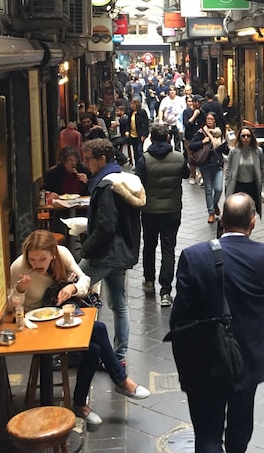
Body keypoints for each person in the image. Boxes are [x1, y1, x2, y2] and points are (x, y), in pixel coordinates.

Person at [170, 193, 264, 453]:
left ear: (221, 220)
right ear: (253, 222)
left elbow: (180, 315)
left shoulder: (194, 256)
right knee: (241, 420)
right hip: (248, 354)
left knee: (207, 433)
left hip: (207, 356)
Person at [10, 230, 150, 427]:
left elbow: (85, 280)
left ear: (53, 253)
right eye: (33, 259)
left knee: (94, 349)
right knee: (99, 329)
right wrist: (21, 289)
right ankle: (118, 381)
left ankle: (81, 403)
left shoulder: (63, 255)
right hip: (35, 324)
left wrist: (73, 288)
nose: (37, 264)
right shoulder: (19, 267)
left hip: (59, 314)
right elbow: (12, 306)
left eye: (43, 258)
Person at [79, 138, 146, 366]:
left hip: (105, 254)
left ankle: (79, 349)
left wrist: (86, 248)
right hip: (120, 252)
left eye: (88, 159)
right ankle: (118, 356)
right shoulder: (123, 180)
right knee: (119, 304)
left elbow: (105, 226)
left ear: (102, 159)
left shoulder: (106, 185)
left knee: (71, 288)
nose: (86, 164)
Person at [135, 123, 189, 307]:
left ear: (151, 138)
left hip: (149, 211)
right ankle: (165, 291)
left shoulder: (144, 160)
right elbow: (186, 175)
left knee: (149, 246)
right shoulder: (179, 157)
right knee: (168, 250)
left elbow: (138, 184)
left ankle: (149, 281)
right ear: (168, 138)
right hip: (172, 211)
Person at [189, 112, 227, 224]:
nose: (209, 121)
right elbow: (191, 146)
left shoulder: (220, 133)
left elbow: (223, 150)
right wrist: (202, 142)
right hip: (205, 164)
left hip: (217, 164)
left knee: (219, 189)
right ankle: (211, 212)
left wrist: (228, 145)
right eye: (207, 119)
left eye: (211, 119)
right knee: (209, 189)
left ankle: (214, 204)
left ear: (215, 120)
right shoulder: (201, 133)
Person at [224, 128, 264, 217]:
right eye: (243, 136)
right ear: (239, 137)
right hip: (238, 185)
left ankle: (248, 227)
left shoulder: (258, 151)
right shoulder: (234, 151)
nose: (246, 138)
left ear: (252, 137)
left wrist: (261, 181)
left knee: (251, 211)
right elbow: (229, 168)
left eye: (248, 136)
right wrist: (227, 183)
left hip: (252, 186)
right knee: (239, 211)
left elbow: (261, 168)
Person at [183, 94, 206, 185]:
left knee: (201, 156)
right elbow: (187, 124)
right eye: (198, 102)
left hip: (200, 138)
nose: (200, 104)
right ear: (194, 102)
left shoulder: (202, 112)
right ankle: (192, 175)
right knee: (191, 157)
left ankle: (202, 176)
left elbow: (204, 125)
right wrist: (195, 115)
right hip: (189, 138)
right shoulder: (186, 112)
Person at [159, 86, 187, 152]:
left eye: (173, 90)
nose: (172, 92)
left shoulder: (180, 100)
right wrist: (160, 119)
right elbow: (161, 110)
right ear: (168, 92)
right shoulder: (165, 100)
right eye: (170, 90)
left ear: (176, 91)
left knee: (178, 143)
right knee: (166, 143)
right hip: (167, 124)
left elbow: (184, 110)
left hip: (177, 125)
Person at [127, 98, 150, 165]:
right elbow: (128, 123)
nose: (132, 106)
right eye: (131, 104)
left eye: (133, 104)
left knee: (139, 150)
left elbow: (146, 123)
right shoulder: (130, 113)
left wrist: (144, 134)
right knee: (135, 151)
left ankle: (142, 164)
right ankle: (137, 165)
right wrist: (127, 131)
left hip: (140, 135)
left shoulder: (142, 112)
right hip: (132, 135)